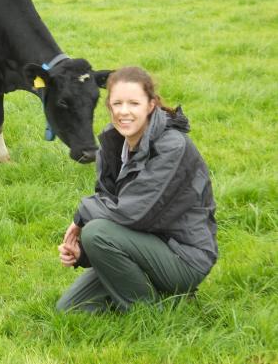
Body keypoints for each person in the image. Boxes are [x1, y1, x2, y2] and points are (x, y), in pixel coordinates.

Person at [56, 66, 217, 313]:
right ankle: (158, 293)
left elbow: (133, 213)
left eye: (134, 103)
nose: (124, 112)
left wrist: (81, 220)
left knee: (96, 232)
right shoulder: (112, 143)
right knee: (70, 309)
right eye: (117, 103)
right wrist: (81, 255)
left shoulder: (172, 146)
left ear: (151, 105)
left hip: (183, 256)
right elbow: (108, 204)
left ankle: (151, 311)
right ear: (109, 106)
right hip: (144, 243)